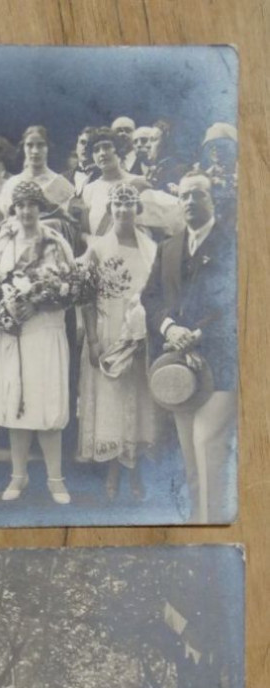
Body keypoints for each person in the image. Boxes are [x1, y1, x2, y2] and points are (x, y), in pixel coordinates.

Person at [141, 170, 237, 522]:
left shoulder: (234, 244)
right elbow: (149, 297)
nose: (191, 201)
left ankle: (215, 532)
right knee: (191, 462)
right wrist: (169, 327)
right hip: (178, 366)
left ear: (213, 200)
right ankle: (200, 531)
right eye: (185, 196)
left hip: (221, 364)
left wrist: (198, 335)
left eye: (199, 194)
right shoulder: (168, 247)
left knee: (207, 445)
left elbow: (242, 303)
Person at [0, 179, 75, 504]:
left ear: (41, 207)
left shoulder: (55, 242)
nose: (26, 211)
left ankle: (55, 480)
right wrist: (1, 309)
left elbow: (71, 287)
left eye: (32, 204)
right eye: (20, 205)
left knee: (47, 404)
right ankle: (17, 477)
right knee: (16, 402)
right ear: (13, 209)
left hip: (45, 331)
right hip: (12, 332)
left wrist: (38, 301)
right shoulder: (3, 241)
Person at [76, 181, 159, 499]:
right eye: (117, 205)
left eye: (129, 204)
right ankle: (111, 472)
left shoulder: (150, 246)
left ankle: (134, 471)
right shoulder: (98, 248)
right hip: (109, 334)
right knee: (111, 401)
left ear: (137, 209)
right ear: (110, 209)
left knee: (138, 401)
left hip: (140, 337)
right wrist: (93, 341)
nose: (123, 210)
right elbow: (85, 297)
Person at [2, 125, 74, 213]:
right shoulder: (11, 184)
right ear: (23, 148)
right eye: (29, 145)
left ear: (48, 147)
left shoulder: (63, 185)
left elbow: (68, 223)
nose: (35, 151)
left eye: (40, 145)